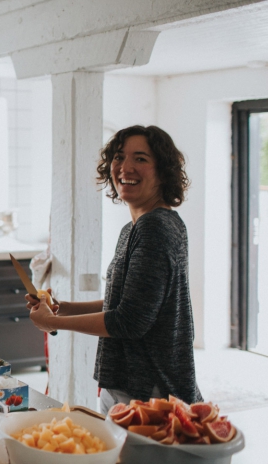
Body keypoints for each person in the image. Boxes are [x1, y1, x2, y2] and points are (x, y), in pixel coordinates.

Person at [26, 125, 202, 413]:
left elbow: (130, 321)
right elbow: (130, 304)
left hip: (147, 390)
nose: (125, 167)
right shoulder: (135, 228)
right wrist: (63, 308)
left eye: (141, 159)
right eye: (119, 157)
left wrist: (54, 323)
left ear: (163, 171)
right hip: (129, 382)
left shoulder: (154, 228)